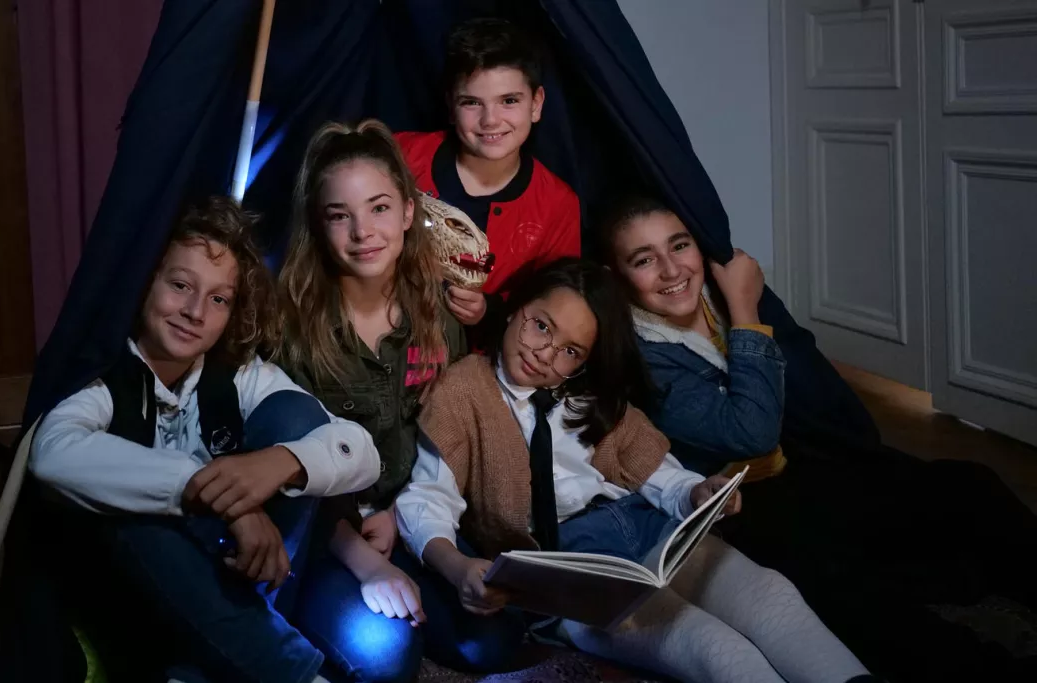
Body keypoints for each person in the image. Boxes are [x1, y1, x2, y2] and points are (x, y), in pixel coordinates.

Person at [604, 195, 1037, 681]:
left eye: (679, 245)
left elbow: (808, 385)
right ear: (618, 276)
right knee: (842, 587)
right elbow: (751, 432)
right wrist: (746, 310)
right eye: (644, 260)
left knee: (968, 486)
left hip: (801, 465)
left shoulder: (717, 291)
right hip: (744, 506)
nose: (671, 270)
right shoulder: (643, 355)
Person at [396, 258, 874, 683]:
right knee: (711, 646)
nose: (545, 353)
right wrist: (456, 566)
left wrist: (698, 493)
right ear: (516, 308)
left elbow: (659, 474)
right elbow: (427, 498)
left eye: (570, 351)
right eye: (540, 326)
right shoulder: (462, 390)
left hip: (642, 527)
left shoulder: (586, 393)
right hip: (568, 570)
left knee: (772, 594)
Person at [28, 196, 381, 683]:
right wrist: (217, 494)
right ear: (145, 281)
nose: (195, 312)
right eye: (180, 286)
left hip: (245, 579)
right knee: (135, 518)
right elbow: (51, 454)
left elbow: (362, 452)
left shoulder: (237, 374)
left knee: (296, 415)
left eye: (218, 299)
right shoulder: (104, 379)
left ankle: (212, 666)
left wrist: (282, 461)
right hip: (142, 605)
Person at [276, 119, 524, 682]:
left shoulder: (436, 311)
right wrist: (363, 559)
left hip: (410, 515)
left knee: (497, 637)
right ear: (318, 224)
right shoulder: (289, 327)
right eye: (340, 215)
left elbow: (443, 442)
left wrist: (401, 517)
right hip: (324, 533)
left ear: (409, 212)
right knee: (386, 654)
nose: (363, 231)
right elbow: (286, 471)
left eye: (380, 208)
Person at [396, 17, 581, 331]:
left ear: (536, 104)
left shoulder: (557, 205)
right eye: (471, 102)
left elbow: (557, 305)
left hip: (475, 352)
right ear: (451, 106)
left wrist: (490, 311)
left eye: (509, 101)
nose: (490, 120)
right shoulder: (401, 154)